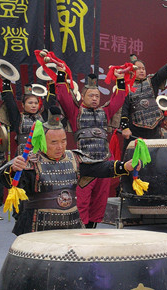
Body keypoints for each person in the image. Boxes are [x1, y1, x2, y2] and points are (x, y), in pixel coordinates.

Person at [0, 107, 136, 235]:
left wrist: (125, 167)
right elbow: (9, 180)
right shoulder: (30, 162)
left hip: (71, 222)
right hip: (37, 224)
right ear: (43, 141)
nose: (60, 146)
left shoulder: (74, 158)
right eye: (54, 142)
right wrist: (13, 168)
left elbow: (99, 168)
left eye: (63, 141)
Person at [54, 69, 127, 228]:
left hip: (105, 161)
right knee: (82, 199)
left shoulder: (105, 112)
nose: (95, 99)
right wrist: (61, 74)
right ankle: (80, 230)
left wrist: (120, 79)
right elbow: (64, 97)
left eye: (97, 96)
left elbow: (118, 100)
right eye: (91, 96)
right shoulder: (76, 112)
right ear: (83, 96)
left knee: (100, 201)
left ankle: (92, 229)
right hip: (85, 164)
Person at [120, 50, 167, 144]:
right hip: (136, 131)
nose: (141, 70)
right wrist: (125, 128)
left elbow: (163, 72)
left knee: (155, 157)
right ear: (131, 71)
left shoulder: (151, 82)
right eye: (138, 68)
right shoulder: (126, 87)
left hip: (154, 130)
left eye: (143, 69)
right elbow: (123, 110)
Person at [0, 76, 51, 155]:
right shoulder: (18, 118)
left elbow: (50, 101)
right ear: (23, 105)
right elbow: (10, 103)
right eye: (30, 103)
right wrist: (6, 82)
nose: (33, 106)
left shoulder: (43, 117)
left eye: (36, 103)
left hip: (41, 154)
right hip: (23, 155)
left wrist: (52, 84)